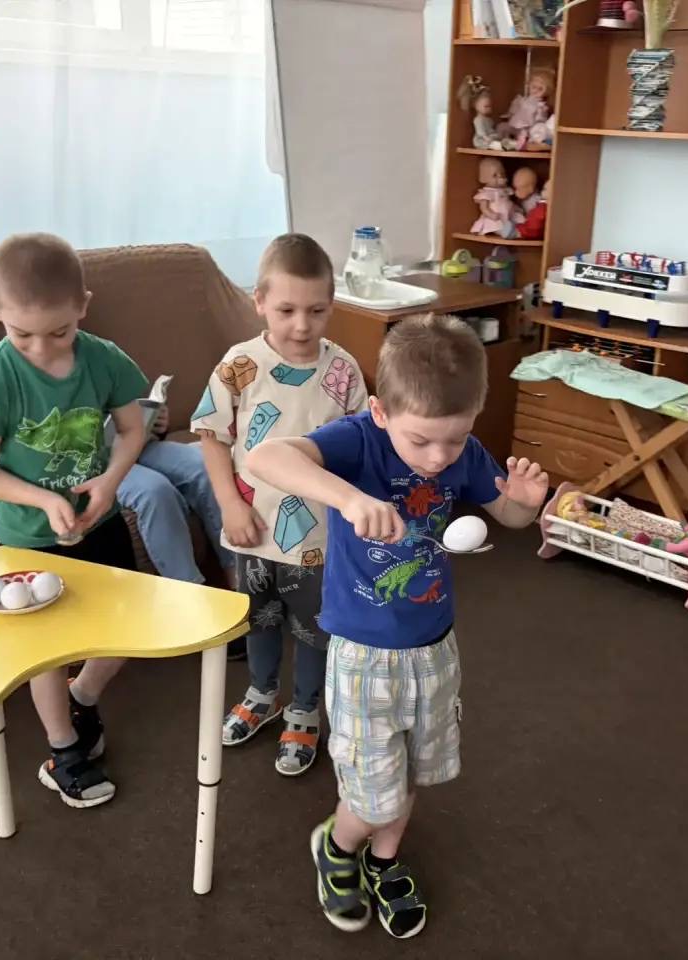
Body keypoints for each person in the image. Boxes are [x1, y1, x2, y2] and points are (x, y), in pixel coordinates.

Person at [247, 314, 549, 938]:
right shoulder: (358, 441)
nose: (439, 459)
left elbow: (507, 516)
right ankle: (336, 846)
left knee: (411, 770)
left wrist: (524, 503)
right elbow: (265, 457)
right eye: (422, 441)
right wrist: (348, 498)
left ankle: (383, 860)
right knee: (371, 788)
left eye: (456, 439)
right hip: (364, 653)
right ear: (381, 411)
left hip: (434, 646)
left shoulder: (462, 453)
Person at [0, 232, 147, 810]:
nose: (40, 348)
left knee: (127, 629)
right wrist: (42, 500)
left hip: (100, 522)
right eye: (22, 334)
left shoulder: (104, 359)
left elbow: (133, 429)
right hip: (27, 538)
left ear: (83, 306)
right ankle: (63, 752)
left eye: (59, 332)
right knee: (48, 651)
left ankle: (81, 696)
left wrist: (109, 483)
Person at [192, 233, 367, 776]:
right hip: (252, 529)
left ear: (332, 305)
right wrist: (229, 505)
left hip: (319, 537)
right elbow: (212, 437)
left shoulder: (344, 371)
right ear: (260, 301)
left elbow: (362, 443)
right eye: (287, 310)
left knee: (314, 628)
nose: (301, 325)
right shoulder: (239, 364)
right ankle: (262, 692)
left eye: (317, 310)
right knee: (260, 620)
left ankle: (305, 707)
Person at [116, 413, 245, 658]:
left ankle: (240, 587)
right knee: (155, 492)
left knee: (207, 467)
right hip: (91, 461)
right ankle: (192, 608)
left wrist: (157, 420)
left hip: (139, 444)